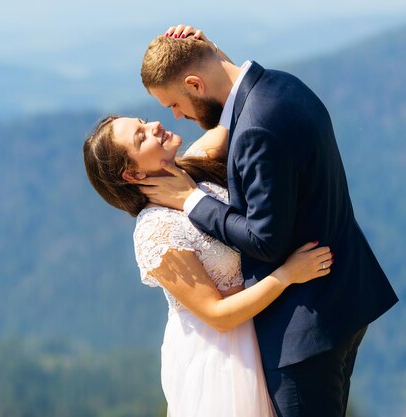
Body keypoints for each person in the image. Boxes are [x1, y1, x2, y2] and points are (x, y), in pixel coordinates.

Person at [136, 25, 398, 417]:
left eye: (174, 103)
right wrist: (209, 50)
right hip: (343, 298)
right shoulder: (282, 86)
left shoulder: (255, 126)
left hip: (303, 329)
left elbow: (265, 241)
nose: (177, 116)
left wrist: (191, 201)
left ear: (194, 83)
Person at [83, 114, 334, 416]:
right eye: (141, 136)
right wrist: (287, 275)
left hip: (263, 332)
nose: (154, 126)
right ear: (132, 174)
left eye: (144, 120)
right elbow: (217, 315)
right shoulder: (156, 230)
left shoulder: (193, 166)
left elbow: (235, 113)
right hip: (221, 359)